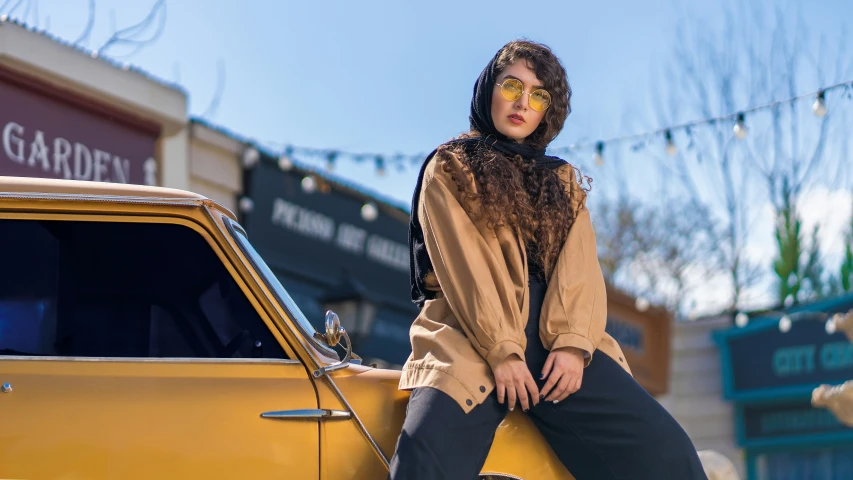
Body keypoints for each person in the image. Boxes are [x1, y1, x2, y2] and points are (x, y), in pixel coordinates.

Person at [388, 39, 708, 480]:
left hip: (559, 346)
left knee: (669, 454)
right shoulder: (451, 166)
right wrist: (503, 352)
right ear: (488, 90)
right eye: (512, 86)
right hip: (474, 334)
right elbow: (467, 270)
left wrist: (575, 345)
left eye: (538, 96)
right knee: (422, 461)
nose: (522, 102)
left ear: (547, 112)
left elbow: (580, 271)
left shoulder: (563, 182)